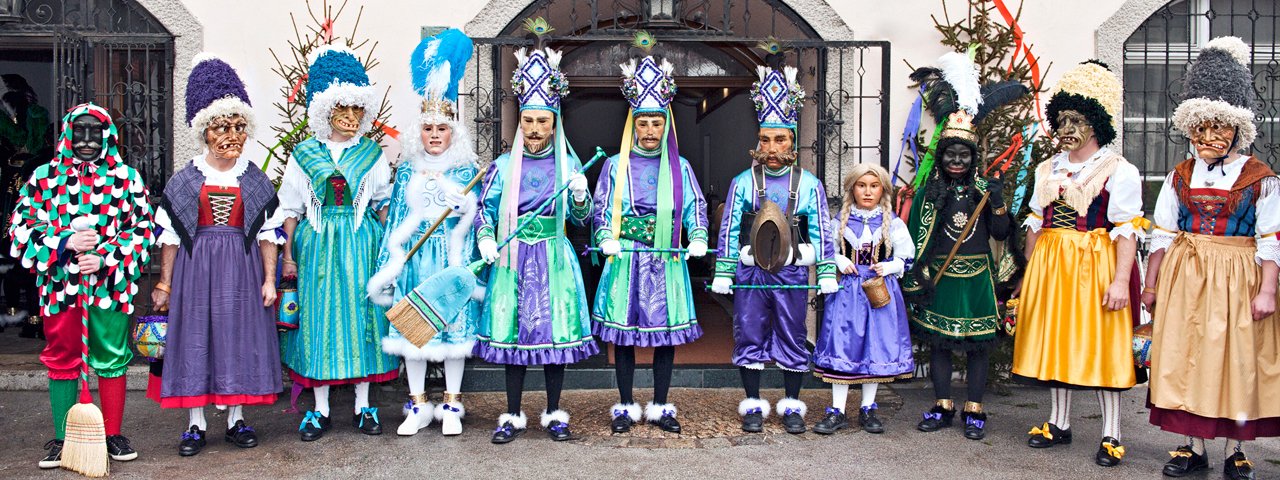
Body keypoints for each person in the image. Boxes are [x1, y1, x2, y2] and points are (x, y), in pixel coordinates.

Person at [1144, 36, 1280, 480]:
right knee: (1187, 357)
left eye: (1218, 125)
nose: (1207, 135)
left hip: (1239, 274)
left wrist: (1267, 291)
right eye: (1199, 125)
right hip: (1187, 273)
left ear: (1238, 129)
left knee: (1235, 360)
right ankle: (1191, 447)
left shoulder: (1261, 179)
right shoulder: (1179, 175)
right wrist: (1151, 284)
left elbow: (1271, 239)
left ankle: (1235, 452)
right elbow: (1161, 233)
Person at [1012, 60, 1146, 468]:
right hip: (1052, 265)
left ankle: (1111, 434)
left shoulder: (1119, 170)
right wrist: (1030, 272)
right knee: (1056, 341)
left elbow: (1127, 230)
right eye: (1063, 119)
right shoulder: (1046, 168)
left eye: (1079, 120)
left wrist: (1121, 281)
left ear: (1098, 125)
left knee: (1103, 346)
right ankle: (1059, 422)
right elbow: (1035, 223)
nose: (1068, 128)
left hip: (1095, 263)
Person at [150, 54, 284, 456]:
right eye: (223, 127)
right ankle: (195, 424)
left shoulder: (255, 178)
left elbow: (268, 234)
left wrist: (269, 279)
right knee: (195, 340)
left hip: (241, 270)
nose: (232, 135)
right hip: (196, 269)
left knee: (239, 339)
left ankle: (237, 419)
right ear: (204, 131)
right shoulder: (186, 179)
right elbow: (171, 236)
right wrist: (164, 283)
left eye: (239, 127)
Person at [9, 103, 154, 468]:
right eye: (80, 131)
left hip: (109, 288)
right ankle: (63, 438)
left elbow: (143, 229)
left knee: (110, 357)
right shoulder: (43, 178)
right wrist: (64, 244)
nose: (87, 140)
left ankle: (112, 434)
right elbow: (20, 229)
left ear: (107, 137)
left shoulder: (127, 179)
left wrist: (106, 257)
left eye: (95, 132)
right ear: (68, 135)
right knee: (62, 358)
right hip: (60, 289)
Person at [473, 18, 596, 444]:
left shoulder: (568, 165)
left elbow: (582, 221)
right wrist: (485, 237)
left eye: (544, 121)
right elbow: (483, 210)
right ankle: (510, 414)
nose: (536, 130)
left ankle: (555, 412)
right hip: (511, 258)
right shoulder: (503, 166)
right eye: (529, 121)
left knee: (554, 337)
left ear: (555, 121)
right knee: (513, 339)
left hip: (553, 255)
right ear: (520, 120)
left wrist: (580, 195)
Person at [711, 46, 837, 434]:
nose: (771, 149)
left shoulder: (809, 184)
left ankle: (793, 407)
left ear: (792, 141)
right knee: (749, 332)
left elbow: (822, 231)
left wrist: (825, 268)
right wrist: (725, 268)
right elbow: (730, 227)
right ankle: (752, 405)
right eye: (764, 140)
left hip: (792, 274)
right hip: (752, 274)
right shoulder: (742, 182)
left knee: (792, 334)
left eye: (779, 140)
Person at [278, 45, 399, 441]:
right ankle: (322, 409)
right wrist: (290, 258)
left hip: (362, 241)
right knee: (319, 320)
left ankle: (365, 406)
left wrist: (389, 251)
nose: (350, 118)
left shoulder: (370, 154)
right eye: (342, 110)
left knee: (364, 319)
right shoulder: (304, 155)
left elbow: (381, 205)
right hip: (317, 245)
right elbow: (291, 210)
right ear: (325, 111)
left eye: (356, 111)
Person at [900, 52, 1020, 441]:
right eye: (950, 153)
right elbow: (917, 235)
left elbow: (1001, 234)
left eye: (963, 154)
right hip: (940, 277)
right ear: (943, 155)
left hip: (977, 280)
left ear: (972, 157)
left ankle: (975, 409)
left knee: (977, 349)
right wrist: (919, 275)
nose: (956, 159)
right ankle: (942, 405)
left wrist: (999, 201)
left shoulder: (985, 191)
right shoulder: (928, 192)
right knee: (938, 345)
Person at [593, 32, 709, 434]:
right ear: (633, 123)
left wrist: (697, 236)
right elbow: (602, 207)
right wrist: (606, 234)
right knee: (623, 338)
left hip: (666, 258)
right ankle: (624, 405)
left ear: (666, 124)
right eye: (642, 122)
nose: (649, 129)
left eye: (656, 122)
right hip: (625, 257)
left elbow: (695, 206)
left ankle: (661, 406)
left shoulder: (682, 168)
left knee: (664, 337)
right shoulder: (613, 165)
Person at [367, 28, 480, 437]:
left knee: (452, 334)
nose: (435, 135)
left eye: (442, 129)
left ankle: (451, 403)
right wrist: (390, 266)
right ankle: (417, 405)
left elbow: (478, 220)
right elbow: (395, 220)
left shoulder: (467, 172)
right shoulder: (408, 172)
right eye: (429, 129)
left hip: (448, 262)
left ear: (454, 133)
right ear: (421, 133)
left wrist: (465, 209)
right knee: (412, 333)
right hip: (415, 259)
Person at [810, 164, 914, 435]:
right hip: (848, 293)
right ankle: (838, 410)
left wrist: (890, 266)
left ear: (883, 190)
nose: (867, 192)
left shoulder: (893, 222)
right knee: (843, 346)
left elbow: (908, 255)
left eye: (874, 186)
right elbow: (824, 249)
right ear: (852, 189)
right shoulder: (840, 221)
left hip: (879, 291)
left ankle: (868, 407)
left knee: (874, 347)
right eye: (861, 185)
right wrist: (838, 259)